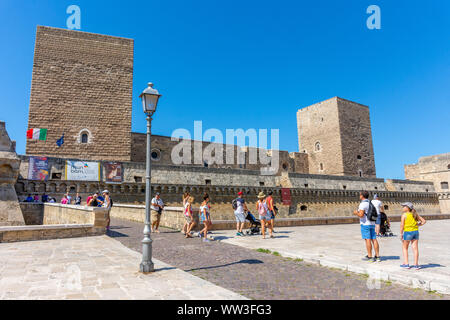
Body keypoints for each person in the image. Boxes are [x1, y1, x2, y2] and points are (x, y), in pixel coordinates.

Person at [353, 190, 381, 262]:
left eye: (360, 195)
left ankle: (370, 256)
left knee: (367, 240)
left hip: (365, 224)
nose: (359, 196)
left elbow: (361, 215)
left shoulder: (363, 204)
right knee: (374, 239)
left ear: (362, 196)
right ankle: (377, 256)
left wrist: (356, 213)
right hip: (372, 223)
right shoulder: (370, 202)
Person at [400, 202, 426, 269]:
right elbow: (424, 221)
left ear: (407, 208)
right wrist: (418, 225)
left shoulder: (404, 215)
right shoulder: (415, 214)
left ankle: (406, 264)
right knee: (415, 249)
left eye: (404, 206)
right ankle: (416, 265)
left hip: (407, 232)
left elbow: (402, 225)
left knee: (405, 248)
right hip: (415, 232)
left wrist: (401, 234)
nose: (402, 207)